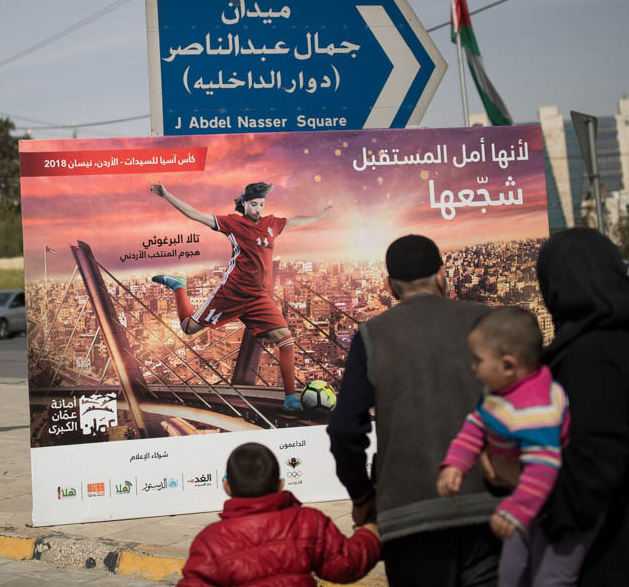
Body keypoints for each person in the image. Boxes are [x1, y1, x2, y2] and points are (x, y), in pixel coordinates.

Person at [327, 234, 501, 587]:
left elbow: (345, 428)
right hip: (488, 508)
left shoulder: (371, 336)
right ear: (442, 275)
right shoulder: (489, 322)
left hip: (409, 517)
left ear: (390, 286)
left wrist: (362, 496)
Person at [535, 227, 629, 585]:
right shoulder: (624, 346)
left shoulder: (591, 358)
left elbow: (592, 477)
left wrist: (525, 495)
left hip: (617, 565)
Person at [150, 181, 332, 412]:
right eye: (253, 204)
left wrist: (319, 217)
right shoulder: (233, 222)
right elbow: (195, 215)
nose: (258, 209)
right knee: (189, 328)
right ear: (244, 204)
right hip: (232, 293)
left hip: (259, 298)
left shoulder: (272, 224)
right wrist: (167, 195)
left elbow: (296, 220)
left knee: (286, 339)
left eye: (261, 204)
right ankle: (179, 286)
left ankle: (290, 400)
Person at [438, 307, 588, 586]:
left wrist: (516, 510)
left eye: (479, 361)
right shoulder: (500, 393)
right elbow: (476, 425)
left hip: (560, 508)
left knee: (550, 579)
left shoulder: (534, 409)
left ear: (508, 366)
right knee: (510, 573)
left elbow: (543, 468)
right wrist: (456, 462)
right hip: (525, 501)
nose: (474, 368)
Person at [178, 442, 380, 586]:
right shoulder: (308, 522)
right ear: (280, 484)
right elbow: (346, 565)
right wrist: (370, 531)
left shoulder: (210, 541)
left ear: (227, 487)